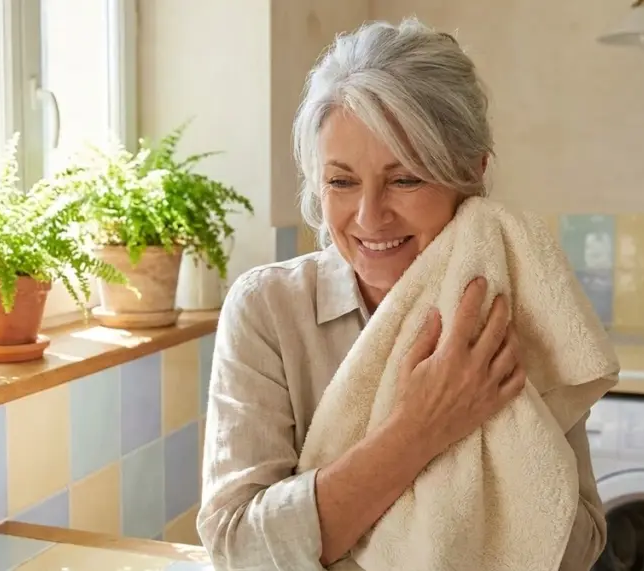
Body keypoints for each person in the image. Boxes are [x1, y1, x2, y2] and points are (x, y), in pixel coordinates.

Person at [196, 17, 607, 571]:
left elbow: (578, 545)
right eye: (341, 182)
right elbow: (237, 549)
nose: (369, 217)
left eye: (406, 178)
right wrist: (419, 428)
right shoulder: (268, 311)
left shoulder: (511, 308)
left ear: (471, 173)